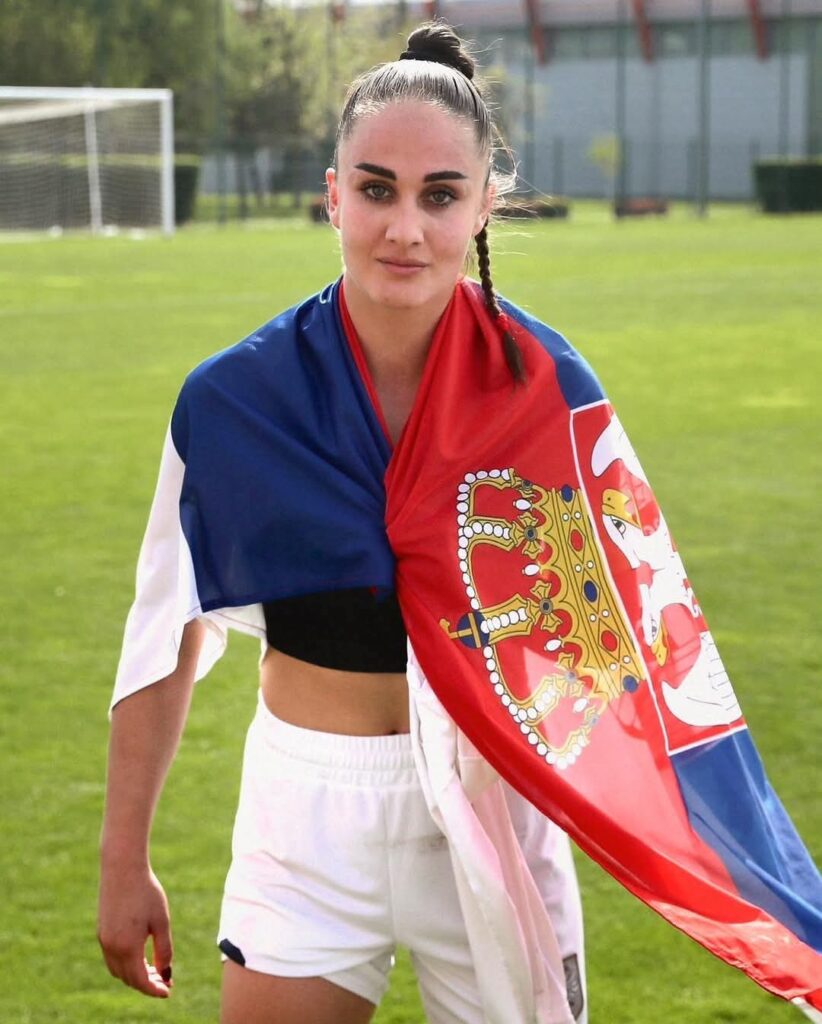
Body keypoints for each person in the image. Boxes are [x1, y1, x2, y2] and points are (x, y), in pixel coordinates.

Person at [98, 21, 587, 1024]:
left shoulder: (547, 390)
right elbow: (166, 628)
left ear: (485, 204)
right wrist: (122, 856)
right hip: (307, 817)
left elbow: (615, 633)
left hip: (495, 805)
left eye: (440, 195)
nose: (405, 228)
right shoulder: (233, 404)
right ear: (333, 195)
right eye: (376, 190)